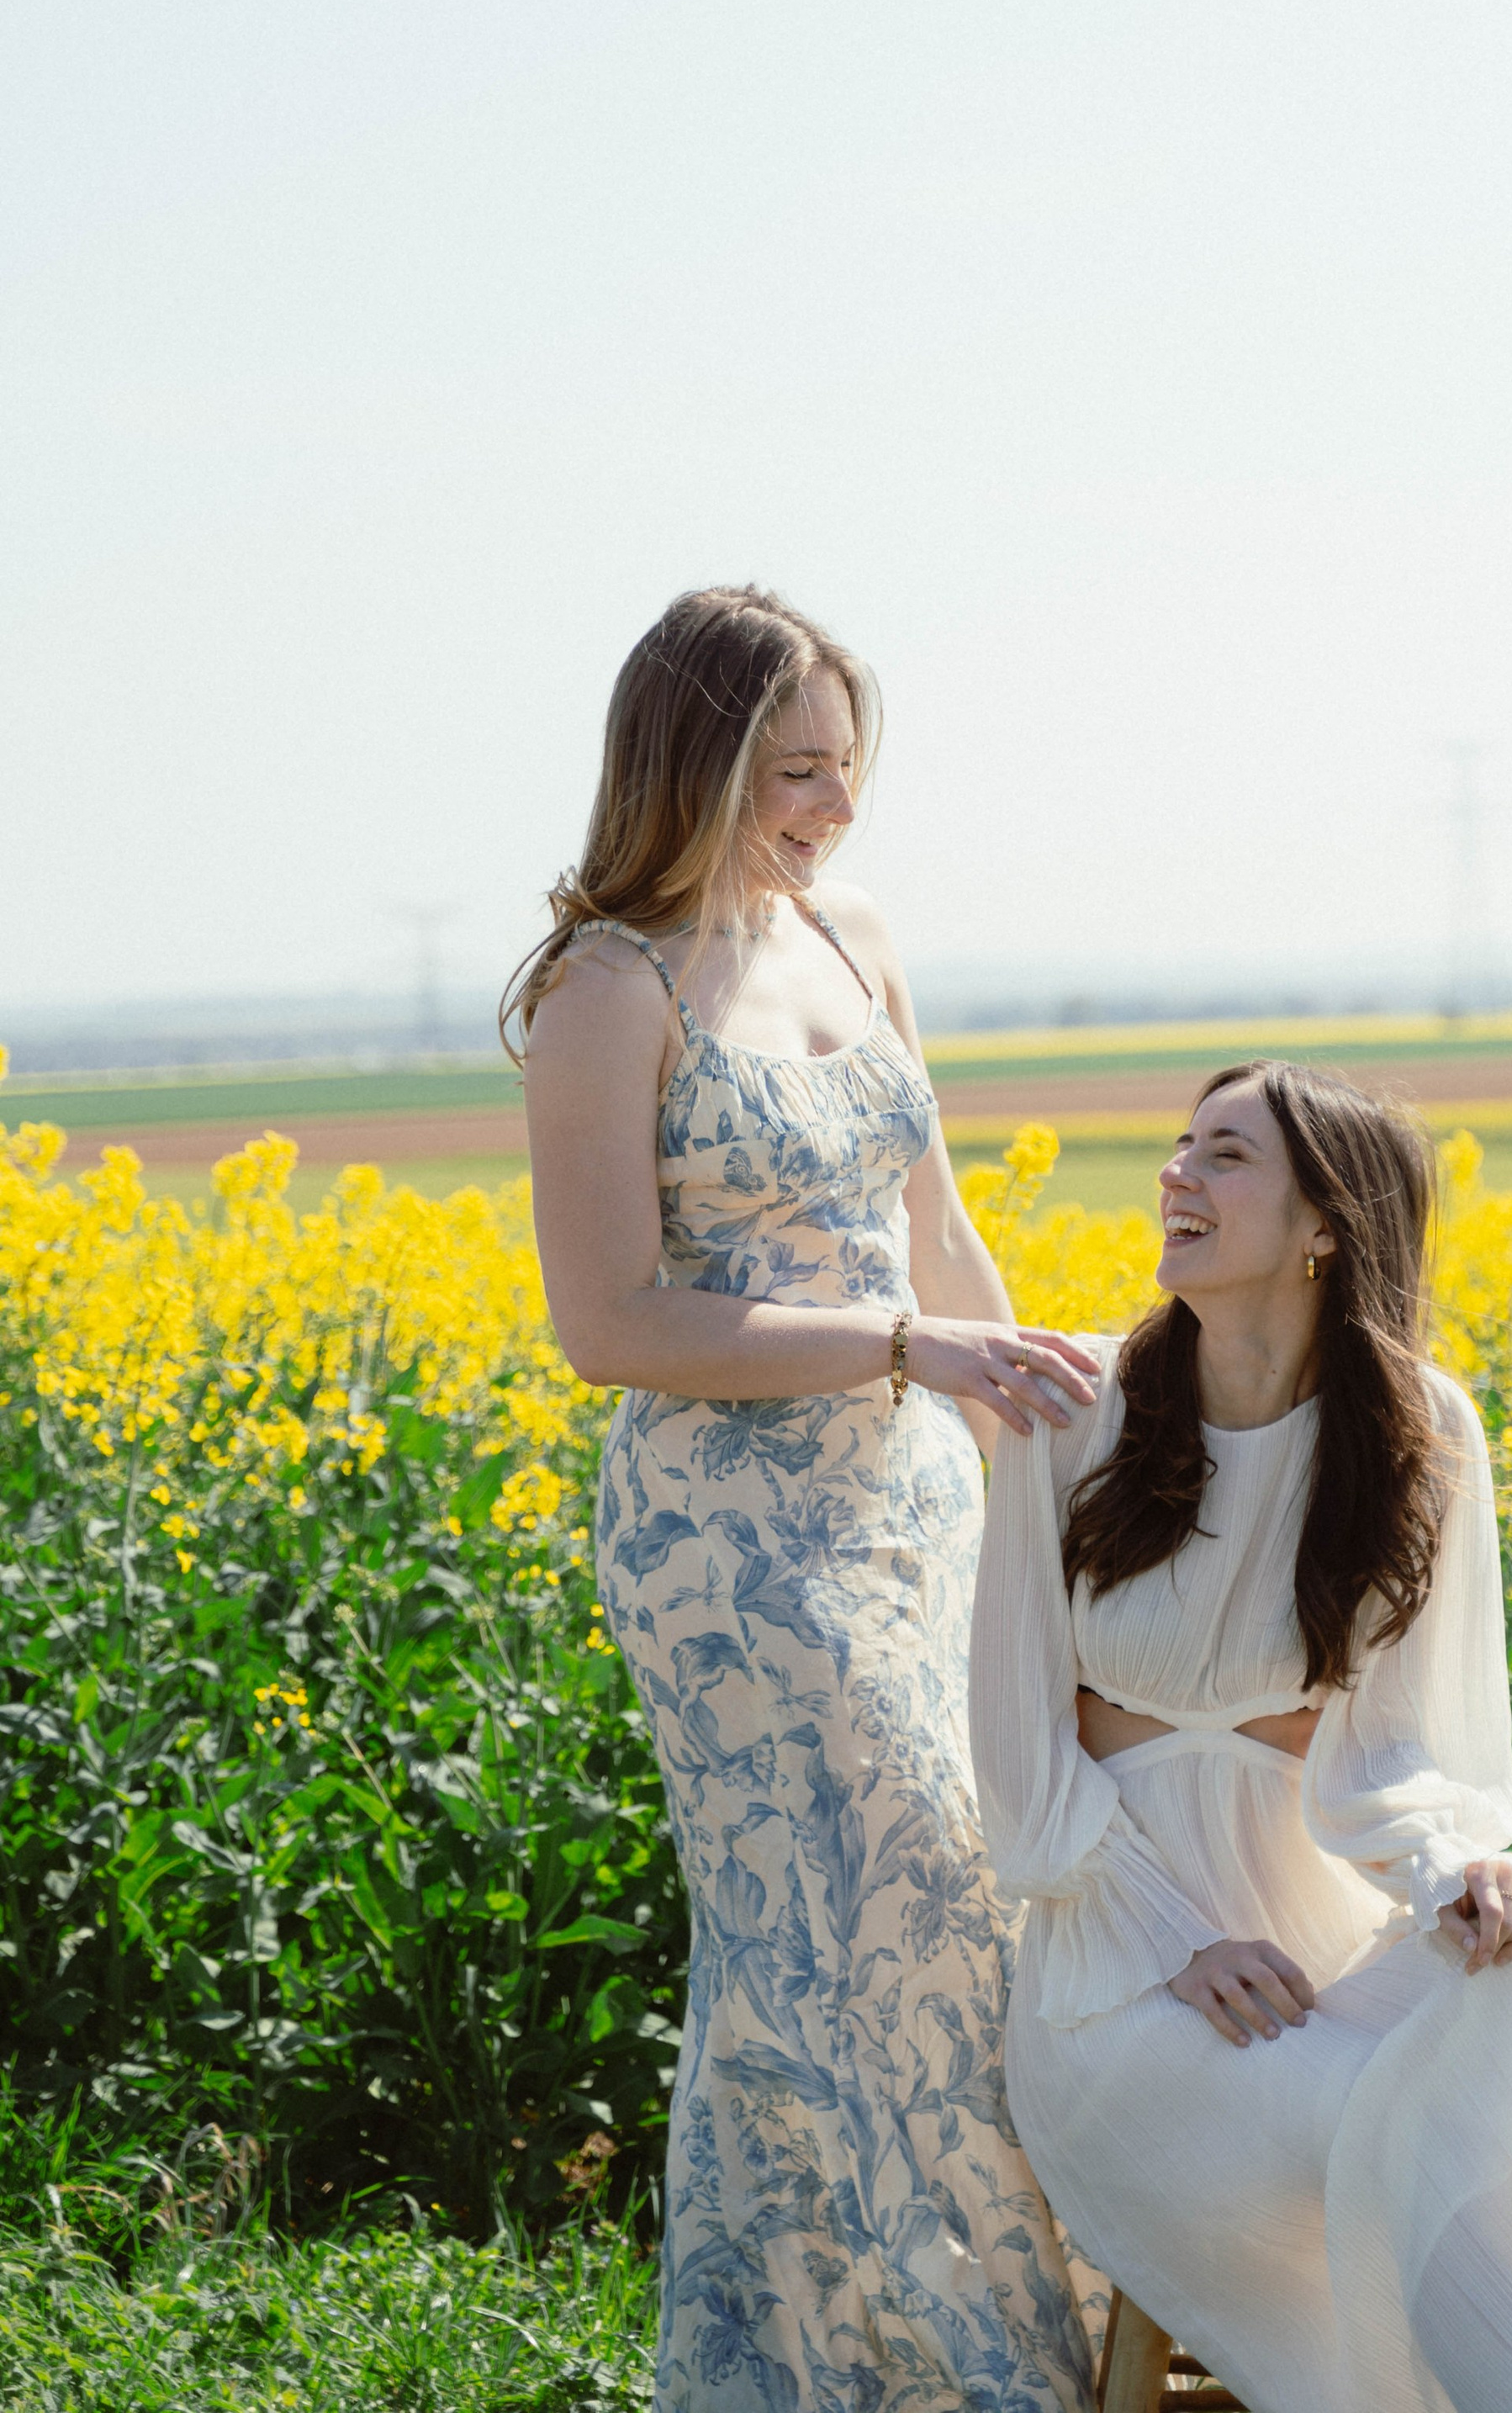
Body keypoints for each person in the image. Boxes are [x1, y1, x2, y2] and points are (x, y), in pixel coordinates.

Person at [515, 582, 1100, 2413]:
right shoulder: (606, 991)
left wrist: (1052, 1456)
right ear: (685, 764)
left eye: (844, 770)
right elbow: (609, 1324)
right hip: (731, 1545)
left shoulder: (853, 935)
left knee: (964, 1910)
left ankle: (853, 2367)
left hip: (914, 1506)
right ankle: (968, 2370)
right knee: (857, 1927)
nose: (829, 809)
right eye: (790, 771)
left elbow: (939, 1234)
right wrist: (903, 1348)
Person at [969, 1059, 1512, 2413]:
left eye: (1224, 1155)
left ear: (1324, 1227)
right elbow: (1016, 1751)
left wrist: (1461, 1879)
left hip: (1318, 1953)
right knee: (1416, 2136)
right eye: (1180, 1147)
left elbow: (1415, 1753)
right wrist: (1175, 1940)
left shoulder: (1422, 1433)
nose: (1176, 1174)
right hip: (1121, 1992)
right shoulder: (1072, 1412)